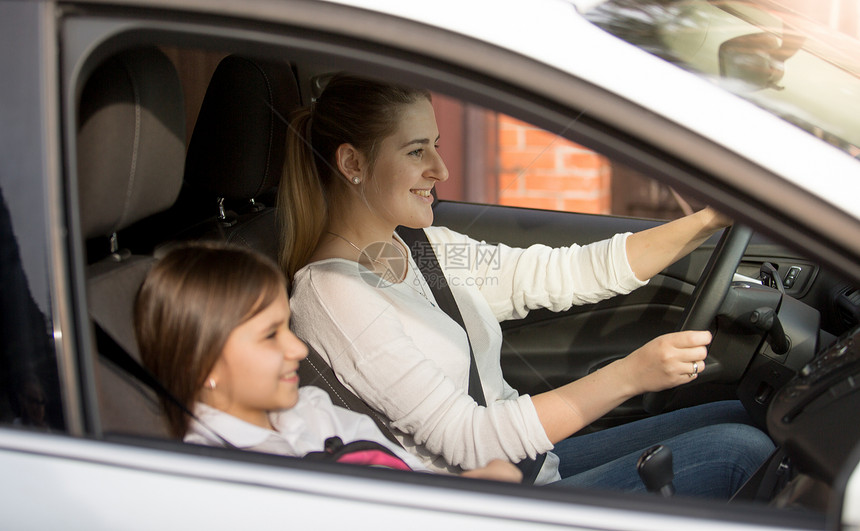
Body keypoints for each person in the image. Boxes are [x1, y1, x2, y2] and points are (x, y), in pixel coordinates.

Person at [280, 74, 775, 498]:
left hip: (533, 464)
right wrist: (631, 374)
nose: (441, 169)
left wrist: (709, 220)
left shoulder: (425, 247)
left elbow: (572, 272)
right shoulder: (332, 293)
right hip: (490, 501)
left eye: (437, 145)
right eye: (416, 151)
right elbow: (469, 440)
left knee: (748, 413)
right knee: (742, 452)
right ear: (352, 165)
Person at [134, 241, 521, 483]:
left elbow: (407, 475)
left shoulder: (313, 409)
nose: (299, 349)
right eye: (271, 335)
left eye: (287, 326)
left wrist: (475, 486)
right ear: (203, 366)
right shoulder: (218, 477)